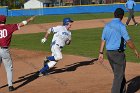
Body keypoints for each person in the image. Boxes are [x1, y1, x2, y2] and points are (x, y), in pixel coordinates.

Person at [98, 8, 139, 93]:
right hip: (118, 54)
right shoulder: (121, 26)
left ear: (114, 14)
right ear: (122, 16)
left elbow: (103, 39)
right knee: (118, 76)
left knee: (120, 74)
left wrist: (100, 53)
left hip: (109, 53)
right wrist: (135, 50)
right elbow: (128, 40)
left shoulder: (107, 25)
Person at [0, 15, 35, 91]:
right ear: (5, 21)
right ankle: (10, 86)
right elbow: (21, 24)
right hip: (4, 50)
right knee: (9, 68)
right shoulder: (9, 27)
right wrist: (30, 19)